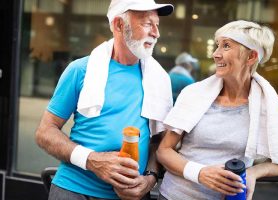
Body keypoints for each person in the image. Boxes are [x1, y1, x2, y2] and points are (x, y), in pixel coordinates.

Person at [35, 0, 174, 199]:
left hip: (132, 195)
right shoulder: (80, 70)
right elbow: (45, 132)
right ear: (119, 25)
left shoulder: (160, 79)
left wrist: (149, 179)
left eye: (157, 24)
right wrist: (92, 160)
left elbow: (159, 141)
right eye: (146, 24)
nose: (156, 33)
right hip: (74, 190)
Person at [156, 20, 278, 200]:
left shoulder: (271, 106)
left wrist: (253, 172)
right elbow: (164, 151)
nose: (215, 54)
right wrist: (200, 173)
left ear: (251, 57)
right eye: (218, 45)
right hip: (175, 195)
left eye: (226, 46)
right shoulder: (193, 94)